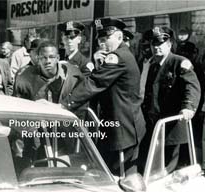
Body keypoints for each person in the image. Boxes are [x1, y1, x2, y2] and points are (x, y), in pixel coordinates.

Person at [60, 17, 146, 176]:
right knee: (109, 173)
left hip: (123, 128)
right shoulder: (119, 56)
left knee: (119, 177)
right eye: (100, 38)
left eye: (107, 38)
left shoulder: (117, 57)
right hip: (119, 125)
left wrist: (65, 104)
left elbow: (94, 82)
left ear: (119, 37)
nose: (102, 42)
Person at [142, 26, 201, 173]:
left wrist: (188, 106)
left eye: (160, 44)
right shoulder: (153, 66)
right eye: (153, 44)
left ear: (169, 45)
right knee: (153, 165)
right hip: (154, 123)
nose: (156, 47)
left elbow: (192, 86)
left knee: (167, 168)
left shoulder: (179, 62)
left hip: (172, 125)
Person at [13, 40, 85, 116]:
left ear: (58, 58)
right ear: (38, 59)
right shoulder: (24, 77)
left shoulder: (73, 77)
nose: (48, 61)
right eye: (44, 57)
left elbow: (81, 107)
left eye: (51, 57)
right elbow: (18, 107)